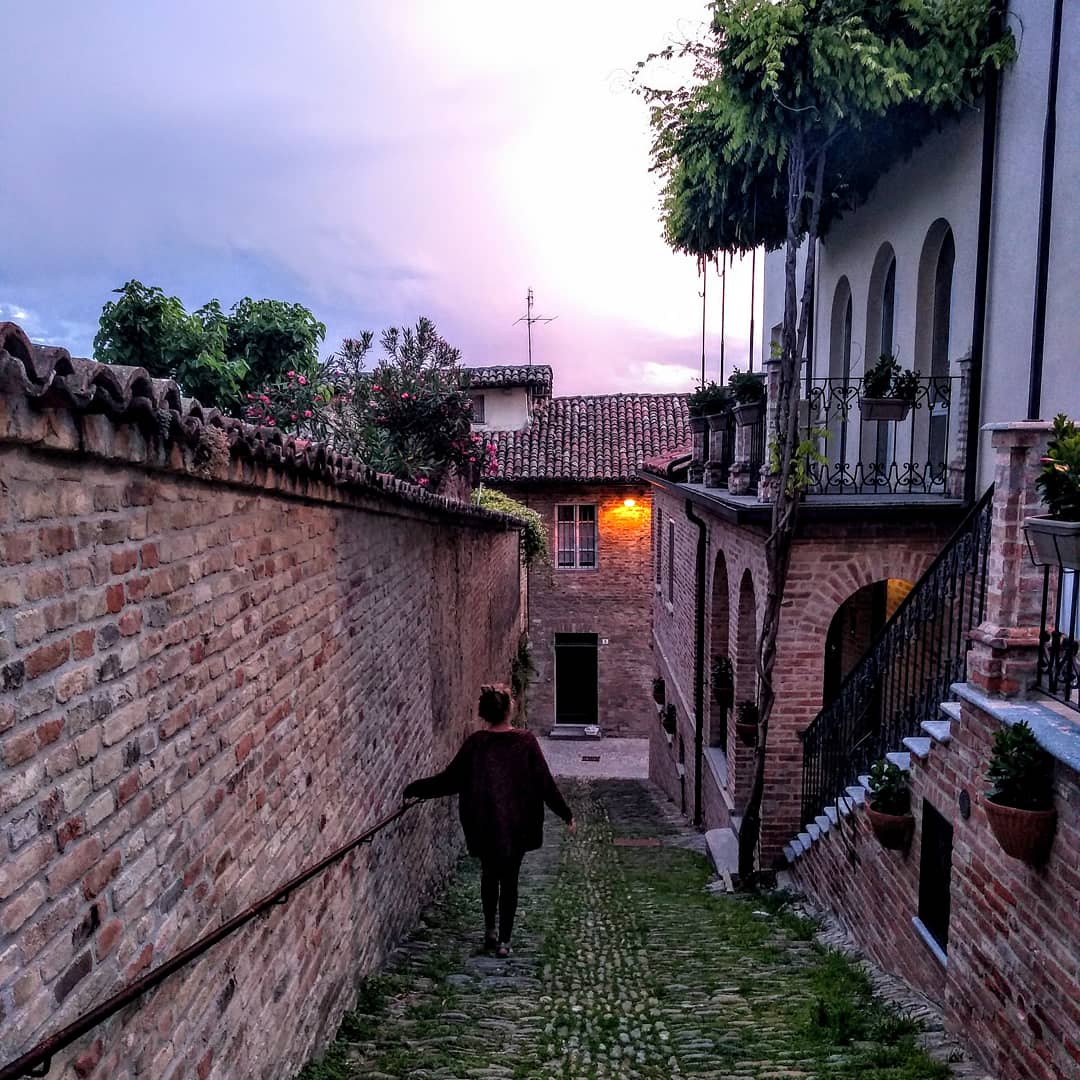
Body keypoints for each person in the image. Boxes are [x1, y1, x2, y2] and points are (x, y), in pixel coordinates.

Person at [402, 683, 574, 958]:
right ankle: (505, 940)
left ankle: (490, 931)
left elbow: (450, 779)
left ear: (485, 712)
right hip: (517, 825)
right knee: (510, 881)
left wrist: (415, 789)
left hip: (484, 825)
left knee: (489, 876)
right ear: (508, 709)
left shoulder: (476, 744)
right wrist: (565, 813)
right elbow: (544, 783)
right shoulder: (525, 742)